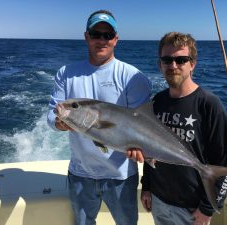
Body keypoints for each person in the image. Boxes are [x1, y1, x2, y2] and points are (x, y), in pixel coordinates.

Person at [47, 10, 151, 225]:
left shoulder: (133, 76)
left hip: (121, 176)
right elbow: (52, 114)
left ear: (116, 39)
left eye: (107, 34)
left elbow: (144, 125)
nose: (101, 40)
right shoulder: (66, 74)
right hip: (80, 174)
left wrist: (140, 149)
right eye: (96, 34)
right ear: (86, 36)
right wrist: (60, 123)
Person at [139, 32, 227, 225]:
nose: (173, 66)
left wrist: (207, 208)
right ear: (160, 64)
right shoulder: (156, 103)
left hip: (192, 208)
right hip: (159, 200)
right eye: (167, 60)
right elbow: (149, 150)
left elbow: (222, 163)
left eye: (181, 60)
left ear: (192, 64)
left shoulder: (209, 104)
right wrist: (146, 187)